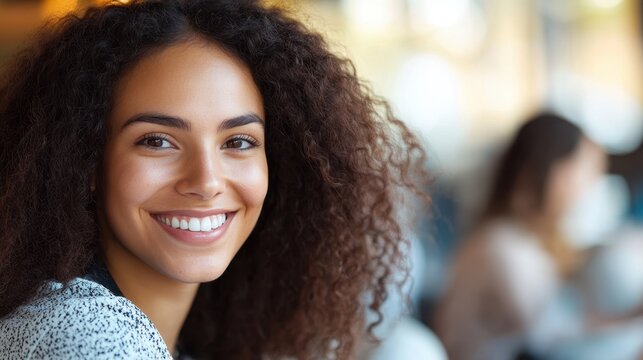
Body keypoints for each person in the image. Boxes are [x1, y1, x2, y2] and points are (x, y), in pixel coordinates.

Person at [0, 1, 427, 358]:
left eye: (238, 142)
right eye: (157, 141)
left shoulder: (184, 336)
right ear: (87, 162)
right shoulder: (84, 338)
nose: (206, 181)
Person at [434, 113, 607, 360]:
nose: (588, 186)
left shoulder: (520, 240)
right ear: (552, 170)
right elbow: (553, 338)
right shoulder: (502, 248)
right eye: (583, 170)